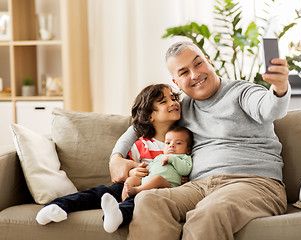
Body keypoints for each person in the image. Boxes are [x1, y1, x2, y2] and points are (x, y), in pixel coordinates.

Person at [109, 41, 291, 240]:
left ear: (208, 61)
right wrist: (116, 157)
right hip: (199, 187)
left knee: (208, 213)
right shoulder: (182, 108)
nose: (195, 75)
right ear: (176, 82)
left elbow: (269, 108)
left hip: (253, 183)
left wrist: (279, 88)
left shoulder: (242, 92)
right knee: (148, 200)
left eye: (198, 64)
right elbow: (138, 126)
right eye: (184, 72)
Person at [36, 83, 184, 233]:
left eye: (173, 98)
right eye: (164, 101)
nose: (173, 103)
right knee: (99, 193)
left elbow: (186, 166)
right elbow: (129, 168)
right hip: (131, 185)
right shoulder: (140, 144)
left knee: (138, 200)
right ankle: (58, 206)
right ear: (149, 116)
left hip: (154, 192)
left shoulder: (182, 141)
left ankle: (118, 215)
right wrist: (132, 173)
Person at [123, 125, 193, 199]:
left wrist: (172, 159)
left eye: (178, 143)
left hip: (168, 185)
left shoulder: (184, 157)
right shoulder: (159, 157)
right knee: (131, 180)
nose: (171, 145)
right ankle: (123, 201)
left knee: (158, 179)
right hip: (148, 180)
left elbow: (185, 170)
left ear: (188, 150)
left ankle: (137, 190)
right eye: (168, 143)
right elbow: (150, 167)